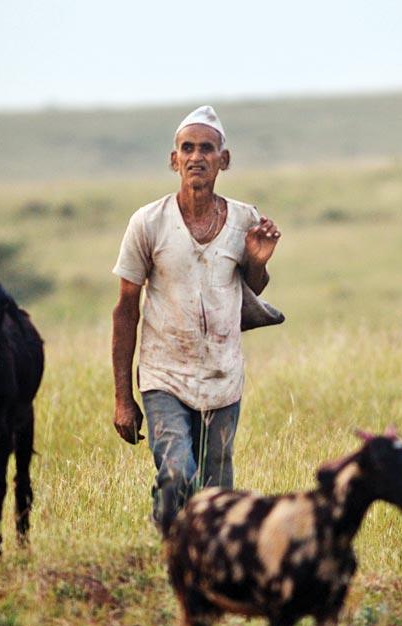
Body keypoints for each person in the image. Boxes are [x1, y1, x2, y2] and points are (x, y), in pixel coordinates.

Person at [111, 105, 282, 533]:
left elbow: (250, 289)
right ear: (174, 160)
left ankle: (206, 581)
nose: (196, 157)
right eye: (187, 148)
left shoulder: (244, 219)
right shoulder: (148, 222)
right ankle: (165, 553)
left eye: (207, 148)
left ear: (224, 159)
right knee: (175, 478)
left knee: (216, 501)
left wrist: (258, 264)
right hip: (163, 376)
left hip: (223, 379)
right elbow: (126, 309)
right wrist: (122, 398)